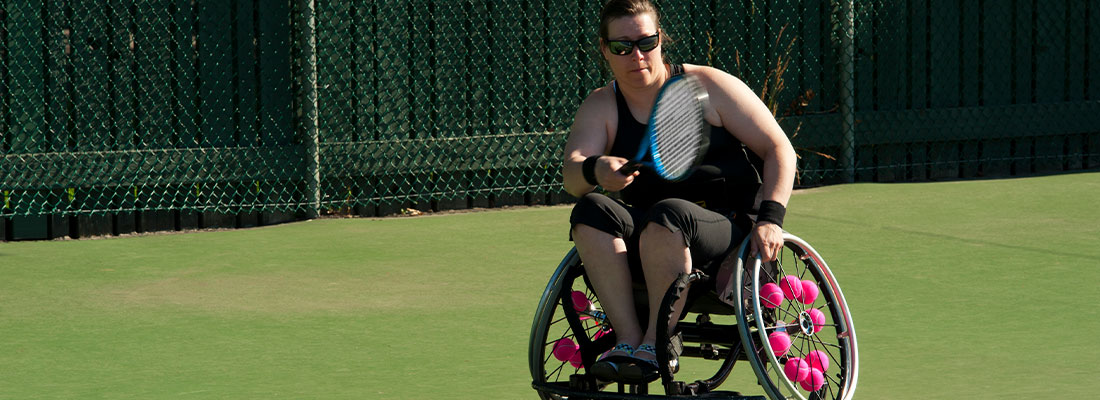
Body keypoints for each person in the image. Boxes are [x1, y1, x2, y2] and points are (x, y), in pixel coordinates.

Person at [562, 0, 797, 383]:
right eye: (622, 47)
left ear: (660, 41)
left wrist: (771, 219)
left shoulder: (709, 86)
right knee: (590, 209)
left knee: (670, 211)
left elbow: (779, 149)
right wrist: (595, 168)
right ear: (604, 49)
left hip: (729, 231)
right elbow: (573, 176)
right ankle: (628, 340)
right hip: (651, 237)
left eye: (646, 42)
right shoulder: (601, 105)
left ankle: (658, 342)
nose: (636, 55)